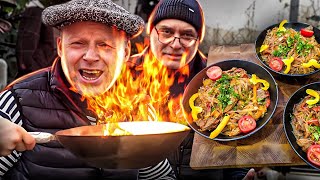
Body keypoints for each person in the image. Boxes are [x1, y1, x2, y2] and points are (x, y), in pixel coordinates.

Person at [0, 0, 176, 179]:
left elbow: (161, 177)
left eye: (105, 45)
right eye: (78, 43)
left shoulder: (140, 108)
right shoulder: (18, 102)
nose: (90, 56)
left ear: (126, 52)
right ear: (60, 47)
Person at [126, 0, 224, 179]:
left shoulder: (217, 79)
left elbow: (234, 145)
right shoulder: (122, 75)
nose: (176, 44)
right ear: (152, 32)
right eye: (166, 32)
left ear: (198, 40)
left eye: (187, 35)